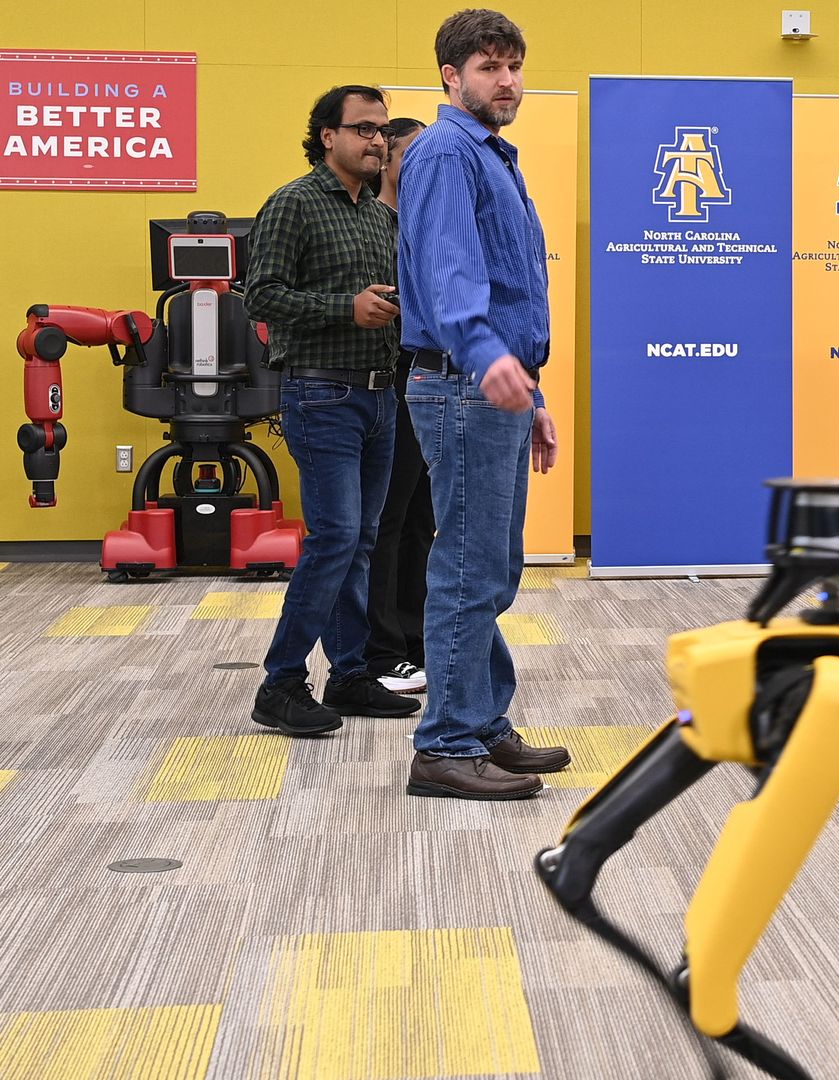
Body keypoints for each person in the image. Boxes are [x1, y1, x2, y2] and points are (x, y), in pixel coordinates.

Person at [398, 8, 570, 799]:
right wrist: (486, 356)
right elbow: (449, 274)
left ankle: (482, 720)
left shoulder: (493, 155)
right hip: (463, 384)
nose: (507, 81)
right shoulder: (445, 153)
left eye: (513, 66)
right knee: (467, 568)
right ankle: (444, 744)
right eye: (489, 67)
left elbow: (506, 287)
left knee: (493, 568)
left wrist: (526, 389)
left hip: (492, 386)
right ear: (450, 77)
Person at [247, 85, 421, 736]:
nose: (377, 141)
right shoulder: (293, 204)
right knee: (335, 539)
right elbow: (258, 296)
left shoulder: (379, 217)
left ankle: (349, 676)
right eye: (364, 129)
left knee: (364, 540)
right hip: (321, 395)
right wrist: (341, 308)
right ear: (329, 136)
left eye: (382, 132)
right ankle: (281, 683)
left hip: (381, 394)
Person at [367, 116, 433, 694]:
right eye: (410, 156)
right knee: (387, 520)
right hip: (383, 383)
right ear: (386, 159)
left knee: (421, 520)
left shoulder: (424, 225)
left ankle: (413, 640)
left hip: (428, 380)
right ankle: (382, 650)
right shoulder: (373, 224)